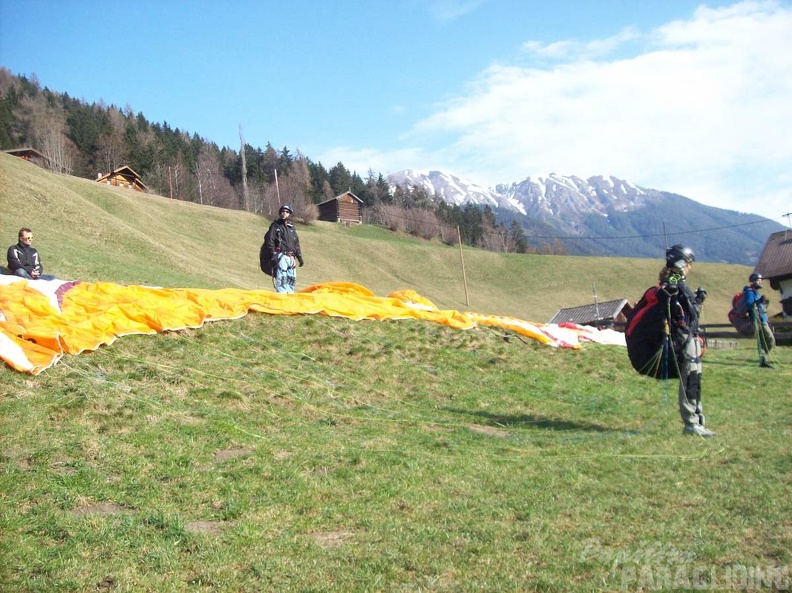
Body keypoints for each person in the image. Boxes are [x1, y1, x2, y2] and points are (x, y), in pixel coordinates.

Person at [657, 244, 715, 437]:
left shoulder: (680, 283)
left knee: (695, 379)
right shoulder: (671, 282)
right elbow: (667, 300)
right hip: (683, 339)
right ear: (680, 263)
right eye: (688, 263)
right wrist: (673, 290)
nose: (690, 267)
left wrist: (698, 300)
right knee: (689, 378)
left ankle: (698, 420)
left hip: (692, 336)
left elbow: (690, 311)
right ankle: (690, 424)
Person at [265, 204, 304, 293]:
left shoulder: (292, 228)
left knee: (291, 279)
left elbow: (296, 244)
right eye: (283, 211)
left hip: (291, 258)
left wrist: (300, 258)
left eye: (287, 212)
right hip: (281, 256)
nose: (284, 213)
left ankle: (290, 297)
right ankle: (281, 297)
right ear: (280, 213)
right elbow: (269, 241)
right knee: (282, 279)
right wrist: (273, 254)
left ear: (289, 214)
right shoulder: (276, 226)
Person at [743, 273, 775, 368]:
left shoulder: (755, 292)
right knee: (769, 339)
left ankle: (763, 360)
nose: (760, 281)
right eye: (758, 280)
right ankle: (763, 359)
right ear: (753, 281)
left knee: (765, 340)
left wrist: (763, 303)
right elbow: (749, 305)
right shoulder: (749, 292)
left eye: (761, 280)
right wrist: (760, 300)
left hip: (762, 319)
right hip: (758, 320)